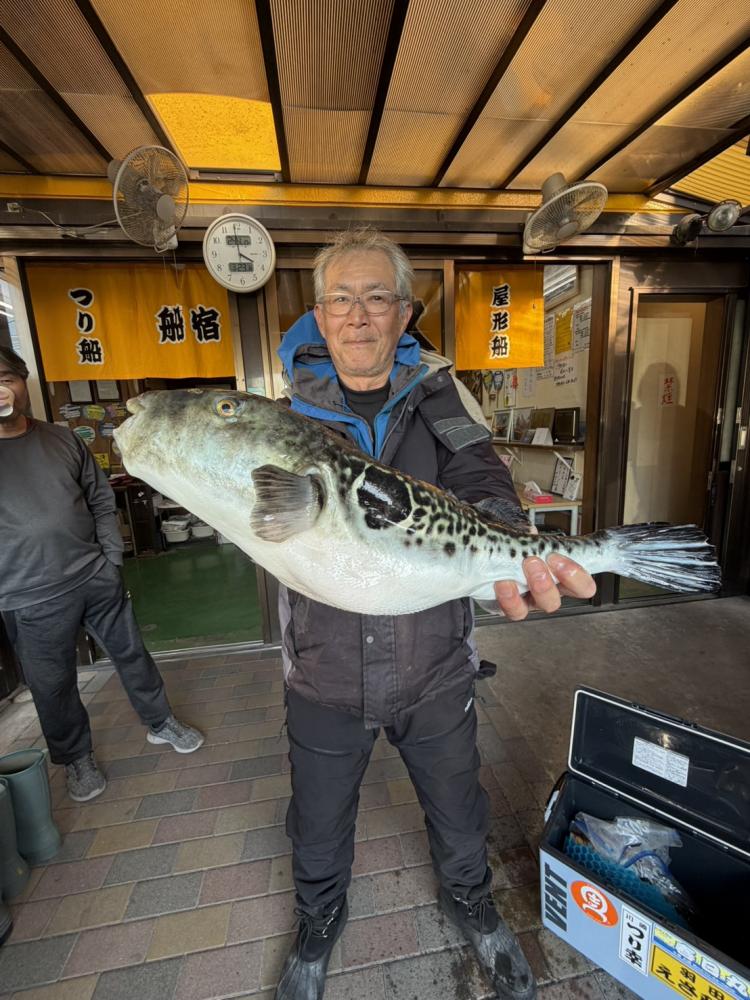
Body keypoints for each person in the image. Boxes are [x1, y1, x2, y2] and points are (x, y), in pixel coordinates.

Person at [272, 229, 597, 1000]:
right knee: (317, 818)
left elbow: (485, 484)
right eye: (341, 299)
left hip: (435, 662)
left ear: (404, 312)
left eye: (376, 298)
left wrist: (506, 552)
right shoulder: (280, 420)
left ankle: (470, 900)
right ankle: (318, 919)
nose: (358, 315)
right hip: (323, 668)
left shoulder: (444, 399)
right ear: (319, 315)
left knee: (459, 807)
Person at [0, 347, 204, 802]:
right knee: (53, 683)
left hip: (93, 576)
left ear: (23, 380)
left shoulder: (61, 439)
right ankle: (76, 758)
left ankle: (160, 721)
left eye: (5, 378)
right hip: (27, 593)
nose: (1, 391)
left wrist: (111, 559)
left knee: (132, 655)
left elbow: (98, 498)